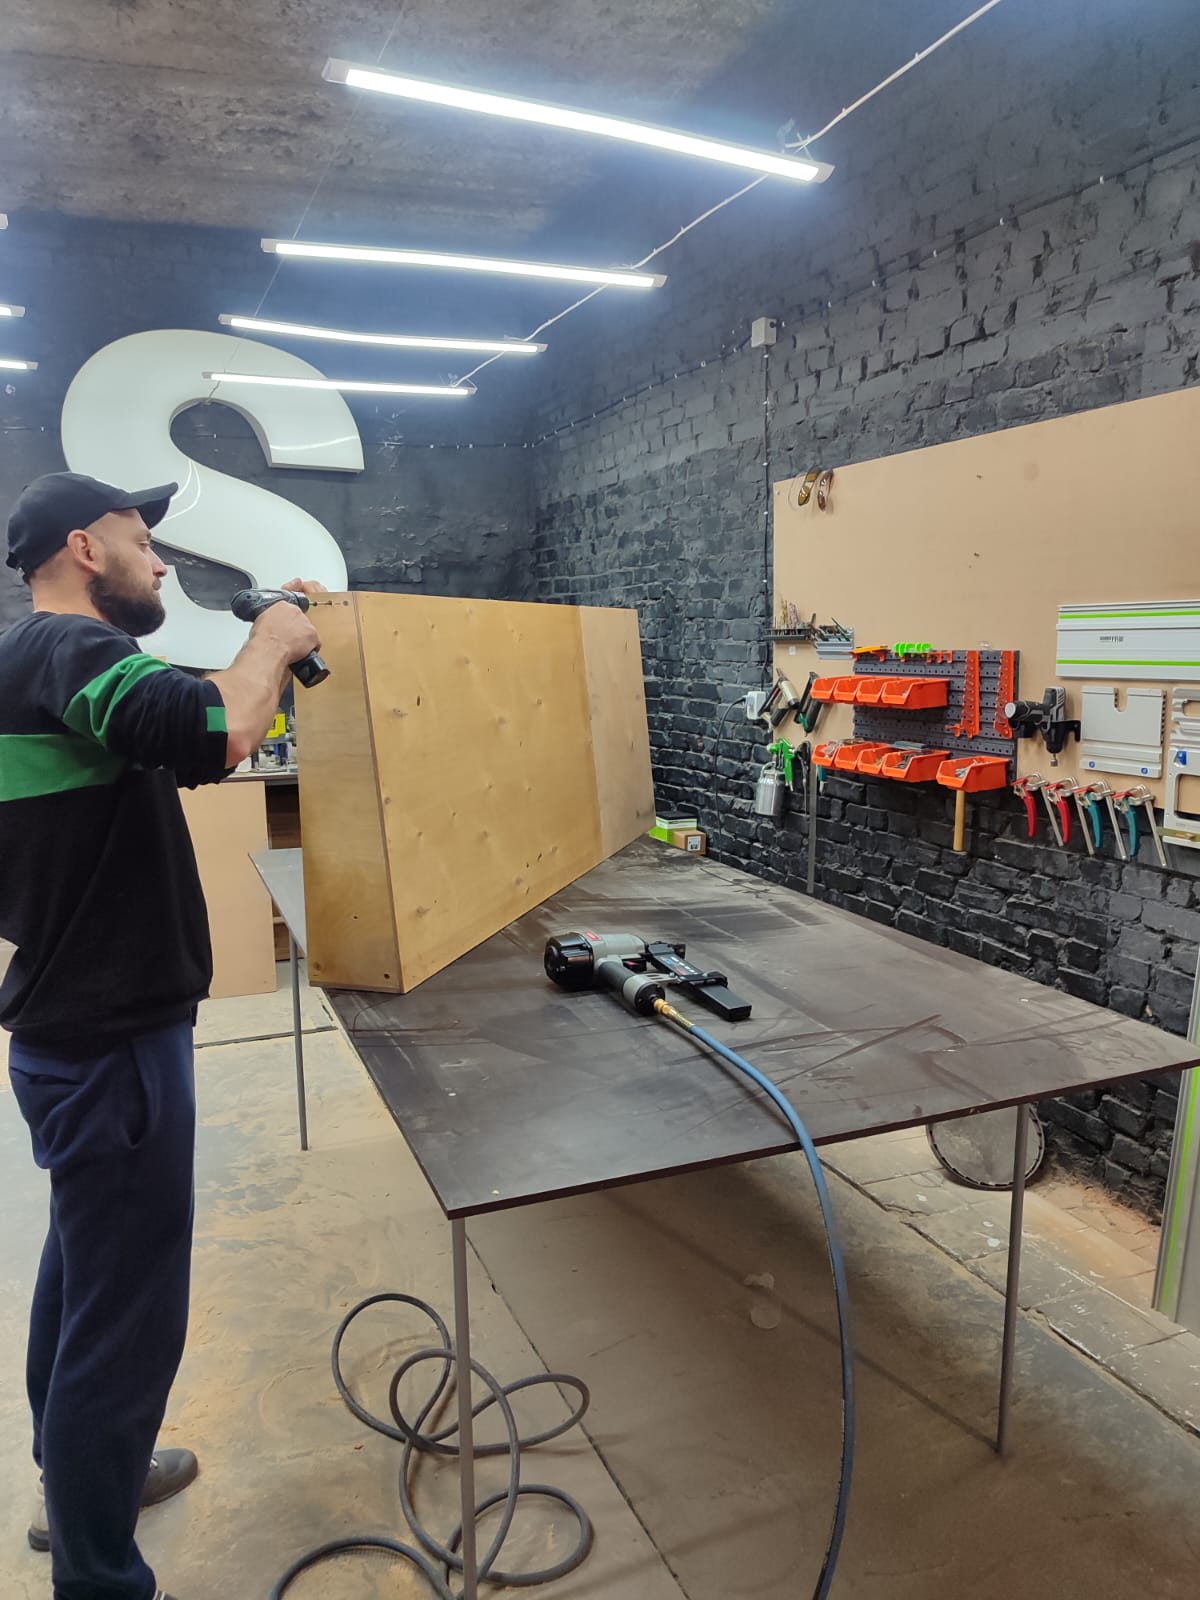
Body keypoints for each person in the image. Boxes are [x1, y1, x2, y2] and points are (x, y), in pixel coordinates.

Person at [0, 471, 326, 1600]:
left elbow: (175, 727)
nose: (163, 561)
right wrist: (274, 639)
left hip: (69, 1030)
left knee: (83, 1273)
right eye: (143, 540)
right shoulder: (71, 651)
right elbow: (214, 731)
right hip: (113, 1042)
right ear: (85, 549)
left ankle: (85, 1479)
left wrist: (258, 660)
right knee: (126, 1319)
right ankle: (99, 1576)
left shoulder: (31, 663)